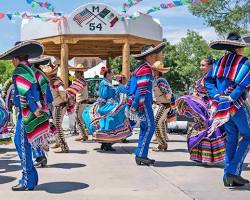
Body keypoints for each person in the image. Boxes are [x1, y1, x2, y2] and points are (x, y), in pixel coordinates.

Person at [0, 40, 52, 191]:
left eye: (12, 60)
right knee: (24, 144)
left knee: (21, 144)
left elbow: (26, 92)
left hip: (27, 114)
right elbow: (45, 92)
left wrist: (34, 107)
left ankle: (27, 180)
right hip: (33, 113)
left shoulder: (20, 71)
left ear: (16, 58)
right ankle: (31, 178)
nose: (11, 62)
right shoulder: (33, 70)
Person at [205, 32, 250, 186]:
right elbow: (243, 84)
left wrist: (216, 95)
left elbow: (208, 82)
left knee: (232, 139)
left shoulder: (219, 62)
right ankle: (232, 171)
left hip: (221, 107)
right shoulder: (244, 61)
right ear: (238, 48)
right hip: (235, 105)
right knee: (248, 136)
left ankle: (228, 176)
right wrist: (232, 97)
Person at [176, 58, 225, 164]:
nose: (200, 67)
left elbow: (216, 94)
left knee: (209, 132)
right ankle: (203, 157)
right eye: (200, 65)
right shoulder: (204, 78)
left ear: (211, 66)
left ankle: (211, 158)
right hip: (201, 110)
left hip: (210, 109)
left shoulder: (214, 79)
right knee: (201, 131)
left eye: (203, 65)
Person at [126, 42, 166, 165]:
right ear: (147, 56)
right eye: (153, 54)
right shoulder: (146, 68)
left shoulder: (139, 68)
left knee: (145, 128)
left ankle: (140, 154)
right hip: (144, 103)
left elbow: (130, 87)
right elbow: (141, 89)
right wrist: (135, 104)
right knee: (149, 128)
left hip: (140, 103)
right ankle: (141, 154)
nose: (154, 56)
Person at [82, 67, 132, 151]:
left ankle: (106, 144)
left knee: (108, 124)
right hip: (107, 106)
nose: (112, 75)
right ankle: (107, 144)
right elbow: (103, 95)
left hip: (109, 104)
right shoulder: (104, 83)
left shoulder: (107, 82)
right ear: (108, 74)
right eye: (111, 73)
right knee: (110, 123)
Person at [28, 56, 55, 167]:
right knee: (40, 132)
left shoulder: (32, 74)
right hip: (43, 106)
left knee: (35, 132)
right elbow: (48, 95)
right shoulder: (42, 74)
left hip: (36, 107)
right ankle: (41, 155)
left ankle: (40, 156)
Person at [43, 62, 70, 153]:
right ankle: (59, 142)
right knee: (56, 124)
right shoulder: (55, 80)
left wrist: (63, 100)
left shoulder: (54, 81)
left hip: (60, 106)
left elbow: (62, 91)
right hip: (59, 105)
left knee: (57, 125)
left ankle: (64, 147)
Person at [151, 61, 175, 152]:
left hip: (162, 105)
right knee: (158, 123)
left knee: (156, 122)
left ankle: (162, 144)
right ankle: (162, 144)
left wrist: (164, 101)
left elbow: (168, 93)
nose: (152, 71)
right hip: (160, 104)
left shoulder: (160, 80)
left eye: (153, 69)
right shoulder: (157, 79)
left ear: (157, 71)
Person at [67, 64, 89, 142]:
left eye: (76, 72)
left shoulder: (80, 81)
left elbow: (71, 90)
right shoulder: (82, 80)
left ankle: (82, 134)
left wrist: (65, 93)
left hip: (81, 101)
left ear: (79, 73)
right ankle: (84, 134)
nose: (74, 74)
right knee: (79, 118)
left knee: (77, 117)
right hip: (82, 101)